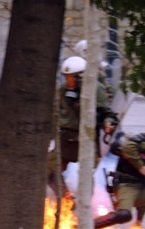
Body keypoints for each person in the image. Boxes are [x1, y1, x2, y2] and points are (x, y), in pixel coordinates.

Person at [47, 55, 118, 188]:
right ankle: (65, 199)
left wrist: (108, 124)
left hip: (86, 140)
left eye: (71, 77)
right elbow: (54, 115)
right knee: (49, 171)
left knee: (86, 178)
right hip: (65, 141)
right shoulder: (62, 91)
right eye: (66, 77)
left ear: (81, 76)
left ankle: (85, 205)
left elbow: (105, 112)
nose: (68, 81)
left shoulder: (95, 89)